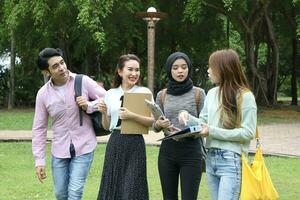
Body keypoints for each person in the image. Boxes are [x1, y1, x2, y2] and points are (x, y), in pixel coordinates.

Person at [178, 49, 257, 200]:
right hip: (210, 157)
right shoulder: (212, 93)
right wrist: (188, 117)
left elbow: (248, 133)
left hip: (231, 160)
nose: (208, 71)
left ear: (224, 68)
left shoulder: (245, 96)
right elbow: (204, 123)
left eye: (211, 67)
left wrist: (211, 131)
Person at [32, 48, 106, 200]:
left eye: (62, 62)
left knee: (75, 192)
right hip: (59, 149)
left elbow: (109, 99)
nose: (62, 68)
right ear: (46, 72)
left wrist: (89, 106)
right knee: (60, 194)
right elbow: (39, 128)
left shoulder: (82, 81)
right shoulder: (43, 94)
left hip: (84, 145)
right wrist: (39, 161)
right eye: (55, 66)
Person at [97, 54, 154, 200]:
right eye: (130, 69)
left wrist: (132, 116)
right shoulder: (110, 94)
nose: (134, 73)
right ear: (120, 71)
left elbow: (152, 122)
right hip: (116, 141)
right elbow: (107, 126)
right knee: (113, 184)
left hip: (135, 143)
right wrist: (104, 113)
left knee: (133, 186)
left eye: (137, 70)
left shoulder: (145, 93)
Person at [152, 52, 206, 200]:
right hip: (167, 151)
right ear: (170, 70)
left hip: (191, 151)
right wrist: (159, 124)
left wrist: (189, 122)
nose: (180, 71)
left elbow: (205, 124)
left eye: (183, 67)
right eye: (175, 68)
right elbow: (154, 126)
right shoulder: (162, 95)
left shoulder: (198, 93)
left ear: (189, 68)